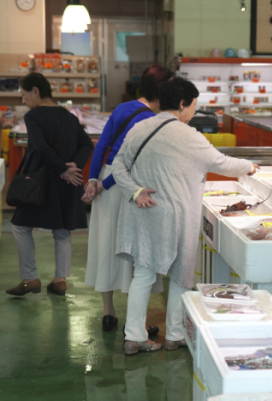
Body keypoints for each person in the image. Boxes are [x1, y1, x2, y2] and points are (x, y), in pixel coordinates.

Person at [112, 78, 259, 354]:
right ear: (182, 104)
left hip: (143, 211)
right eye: (193, 106)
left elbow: (118, 165)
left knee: (142, 275)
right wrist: (250, 166)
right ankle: (175, 335)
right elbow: (222, 163)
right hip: (175, 215)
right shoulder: (189, 135)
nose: (193, 112)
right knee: (181, 275)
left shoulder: (140, 127)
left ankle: (133, 337)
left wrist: (135, 191)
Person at [82, 65, 174, 335]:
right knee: (137, 252)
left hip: (107, 180)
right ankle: (136, 323)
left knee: (105, 245)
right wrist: (105, 184)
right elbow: (130, 162)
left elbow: (102, 145)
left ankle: (108, 313)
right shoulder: (152, 121)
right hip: (130, 186)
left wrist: (94, 180)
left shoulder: (122, 108)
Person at [6, 73, 93, 297]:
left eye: (24, 95)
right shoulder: (69, 116)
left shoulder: (33, 116)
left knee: (20, 226)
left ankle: (30, 278)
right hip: (68, 183)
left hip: (40, 183)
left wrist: (63, 169)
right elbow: (87, 145)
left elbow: (41, 148)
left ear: (35, 91)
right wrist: (74, 166)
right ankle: (60, 281)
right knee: (62, 231)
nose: (24, 100)